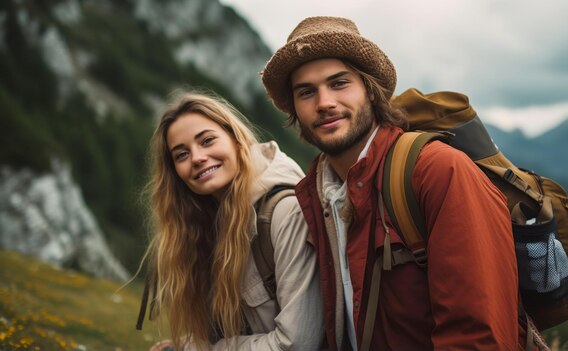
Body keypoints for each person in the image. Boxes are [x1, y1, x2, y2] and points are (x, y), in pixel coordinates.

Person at [261, 16, 531, 350]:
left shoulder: (437, 171)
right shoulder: (315, 195)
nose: (324, 102)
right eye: (306, 92)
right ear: (295, 109)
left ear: (370, 91)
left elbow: (478, 336)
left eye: (339, 83)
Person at [142, 91, 324, 351]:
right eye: (181, 155)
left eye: (207, 140)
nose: (197, 158)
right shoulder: (201, 224)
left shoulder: (284, 212)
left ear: (236, 140)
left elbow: (298, 343)